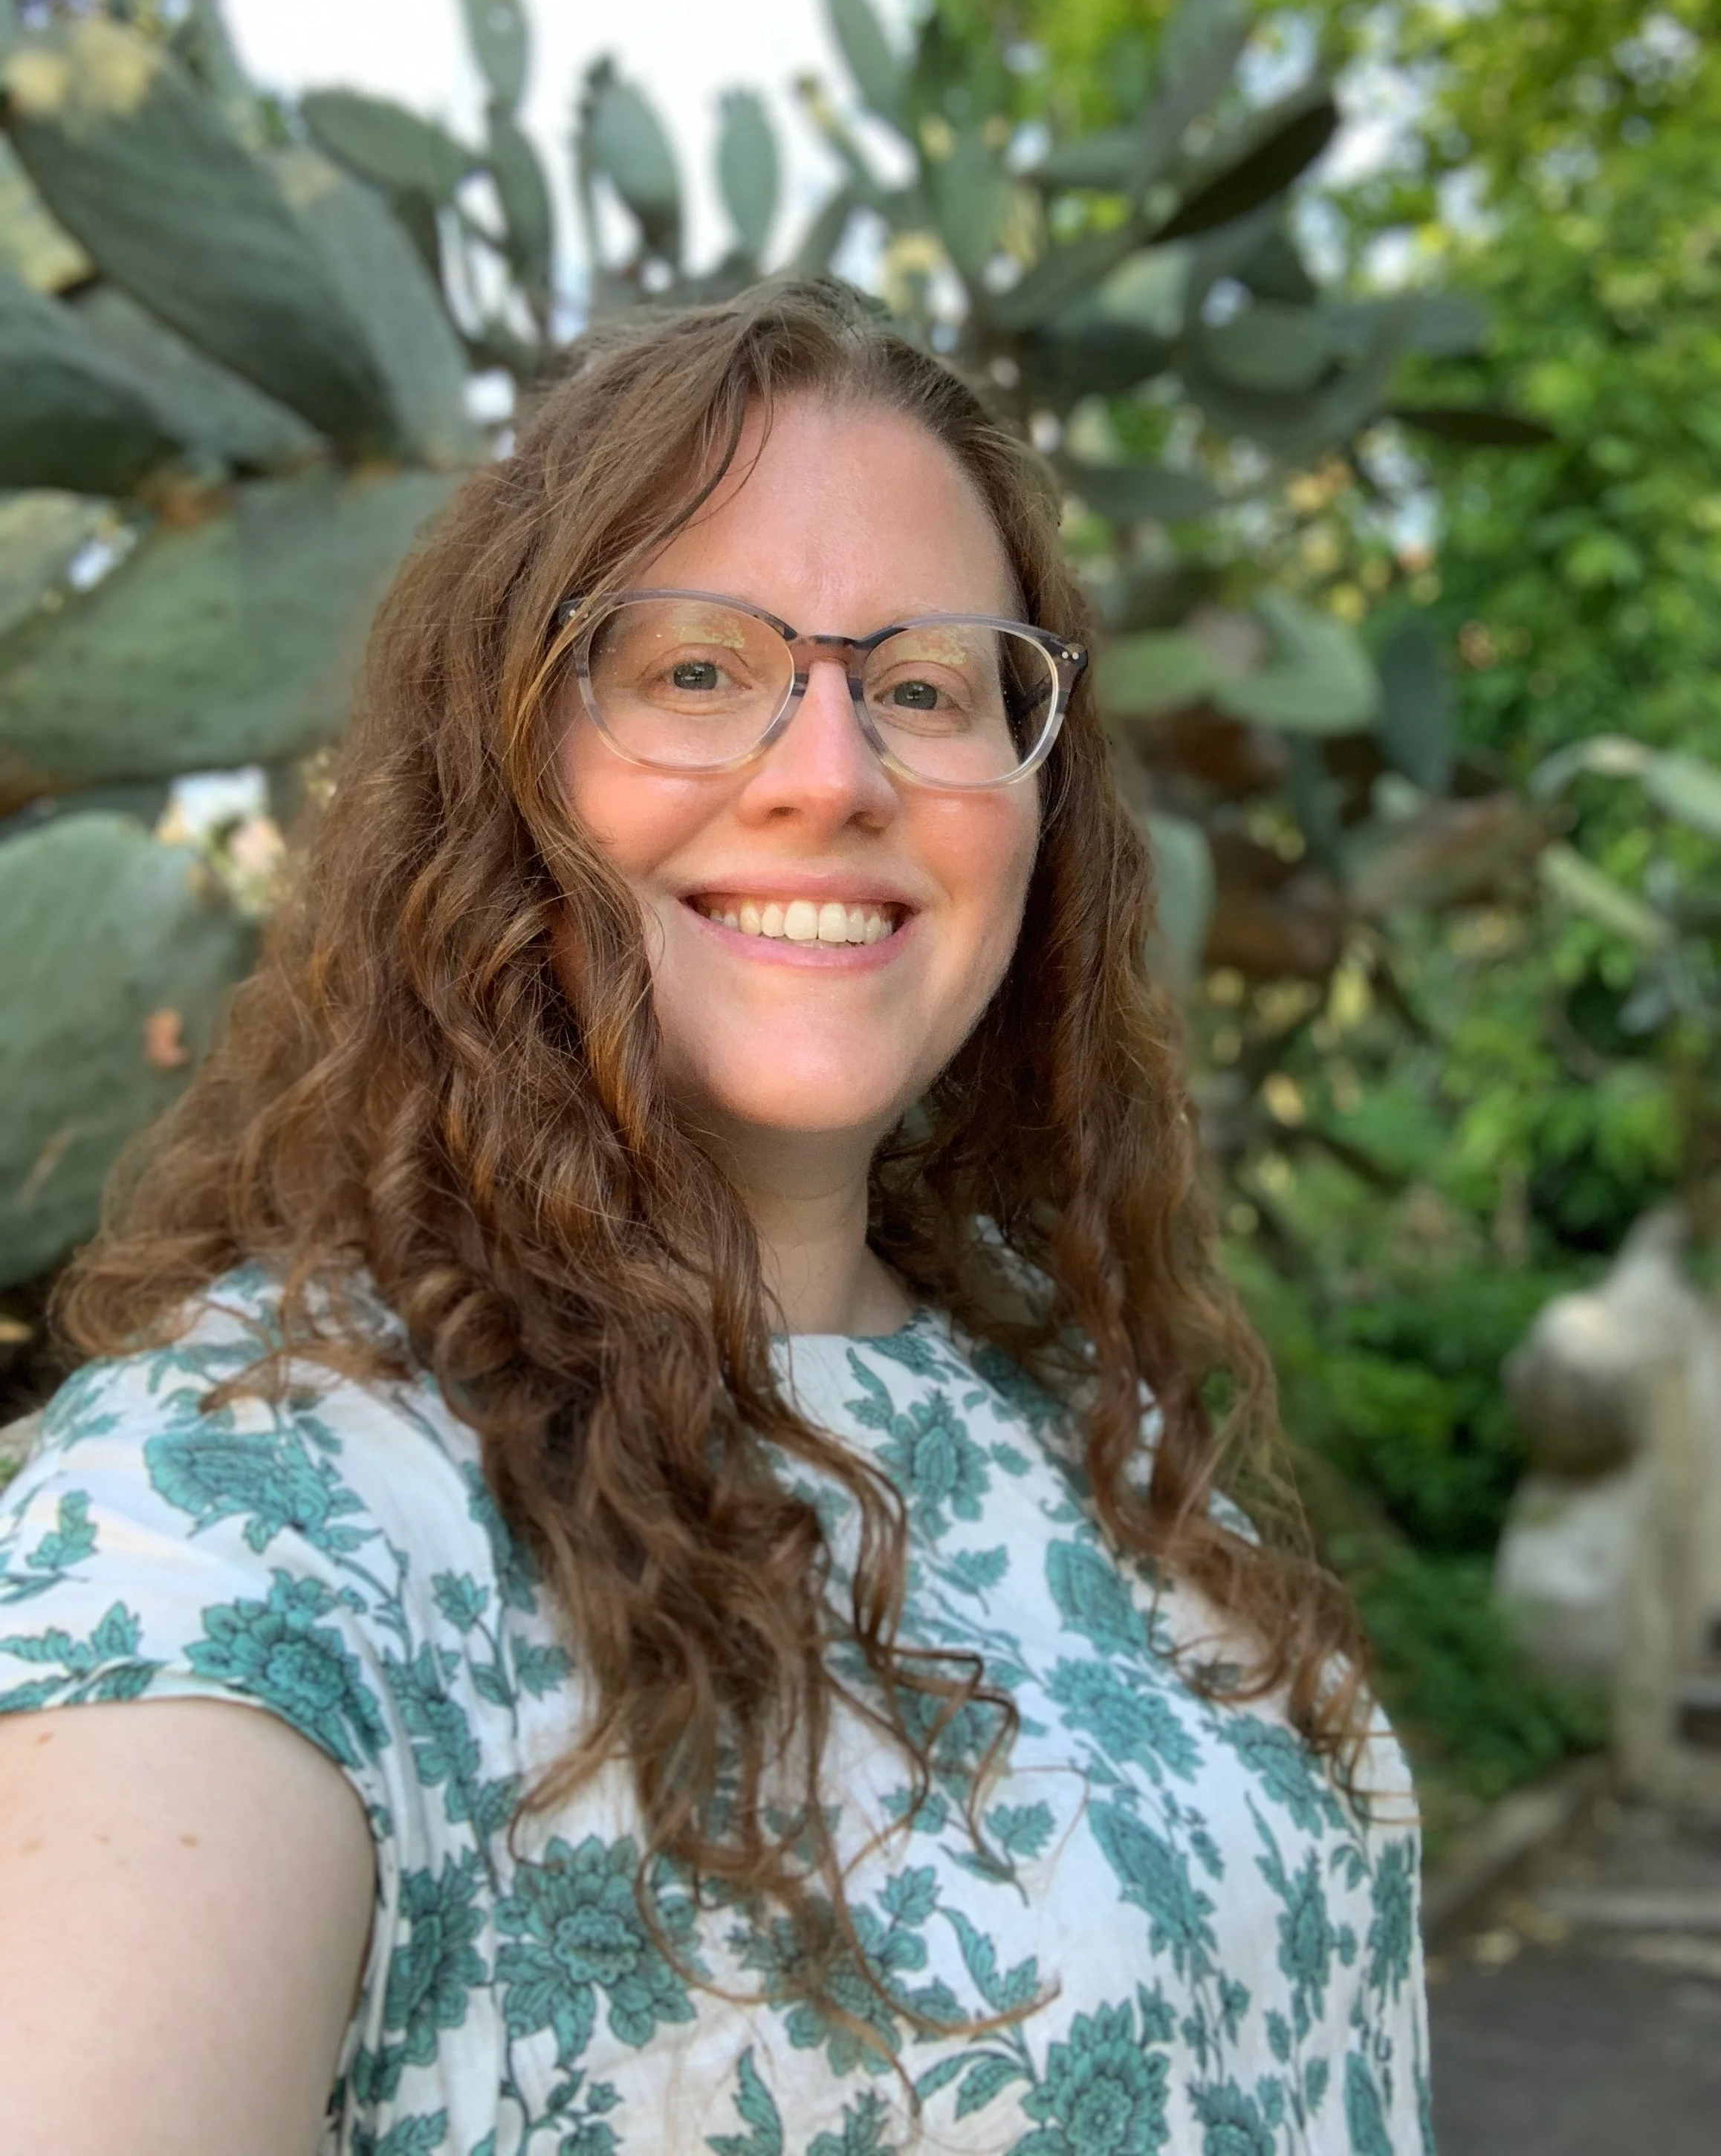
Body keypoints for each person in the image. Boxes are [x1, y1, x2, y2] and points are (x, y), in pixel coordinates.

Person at [0, 281, 1431, 2156]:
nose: (831, 772)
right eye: (695, 666)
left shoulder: (1084, 1412)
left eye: (923, 684)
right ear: (509, 765)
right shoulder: (254, 1510)